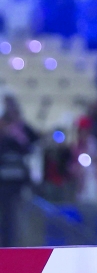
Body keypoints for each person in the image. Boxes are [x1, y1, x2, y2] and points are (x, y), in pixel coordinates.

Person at [0, 96, 38, 247]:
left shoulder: (19, 139)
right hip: (2, 188)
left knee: (14, 224)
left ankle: (12, 249)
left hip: (16, 189)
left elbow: (32, 146)